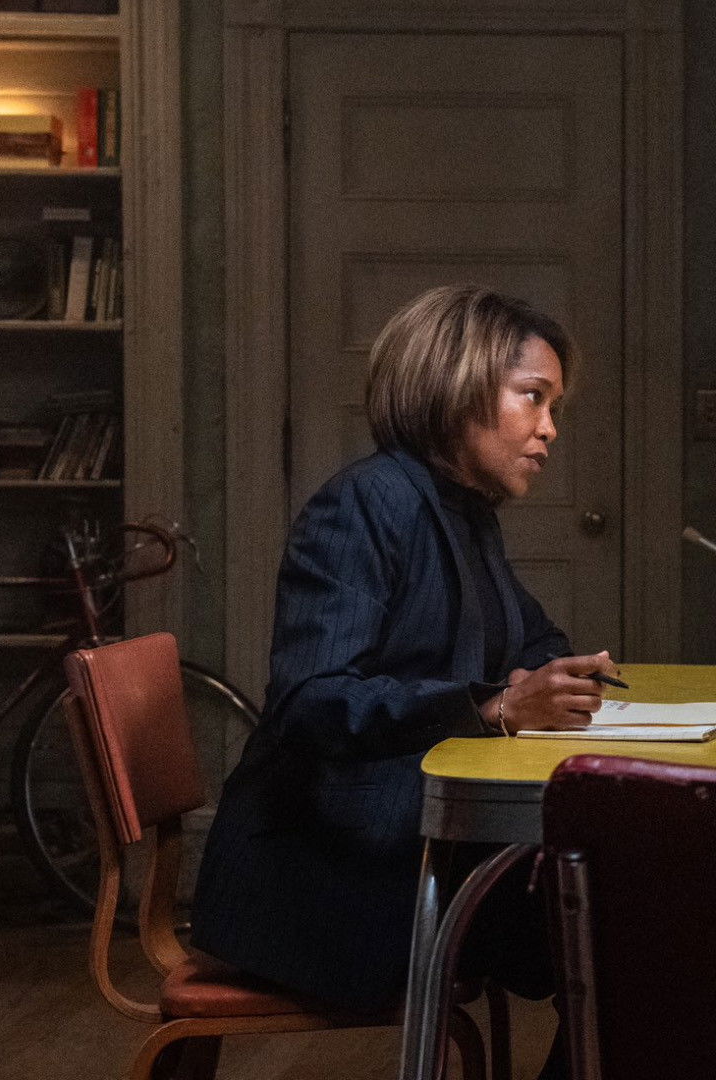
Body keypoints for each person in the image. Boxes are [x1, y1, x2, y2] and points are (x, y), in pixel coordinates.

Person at [193, 284, 619, 1014]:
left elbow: (536, 637)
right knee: (625, 919)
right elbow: (311, 702)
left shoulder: (466, 512)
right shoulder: (366, 503)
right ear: (460, 386)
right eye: (533, 397)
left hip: (417, 845)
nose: (550, 429)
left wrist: (546, 676)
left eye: (554, 407)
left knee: (629, 909)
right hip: (332, 881)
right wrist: (492, 706)